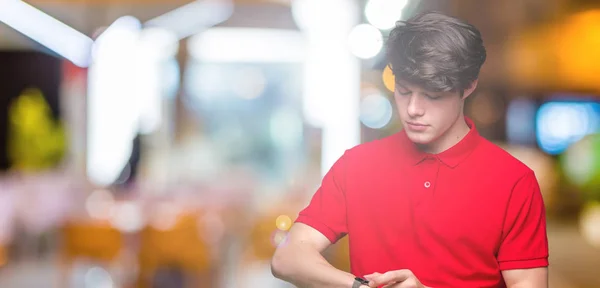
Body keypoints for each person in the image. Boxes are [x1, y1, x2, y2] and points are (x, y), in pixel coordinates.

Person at [271, 10, 549, 288]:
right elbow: (287, 257)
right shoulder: (357, 165)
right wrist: (361, 286)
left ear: (468, 86)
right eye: (404, 91)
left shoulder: (513, 181)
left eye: (432, 95)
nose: (413, 109)